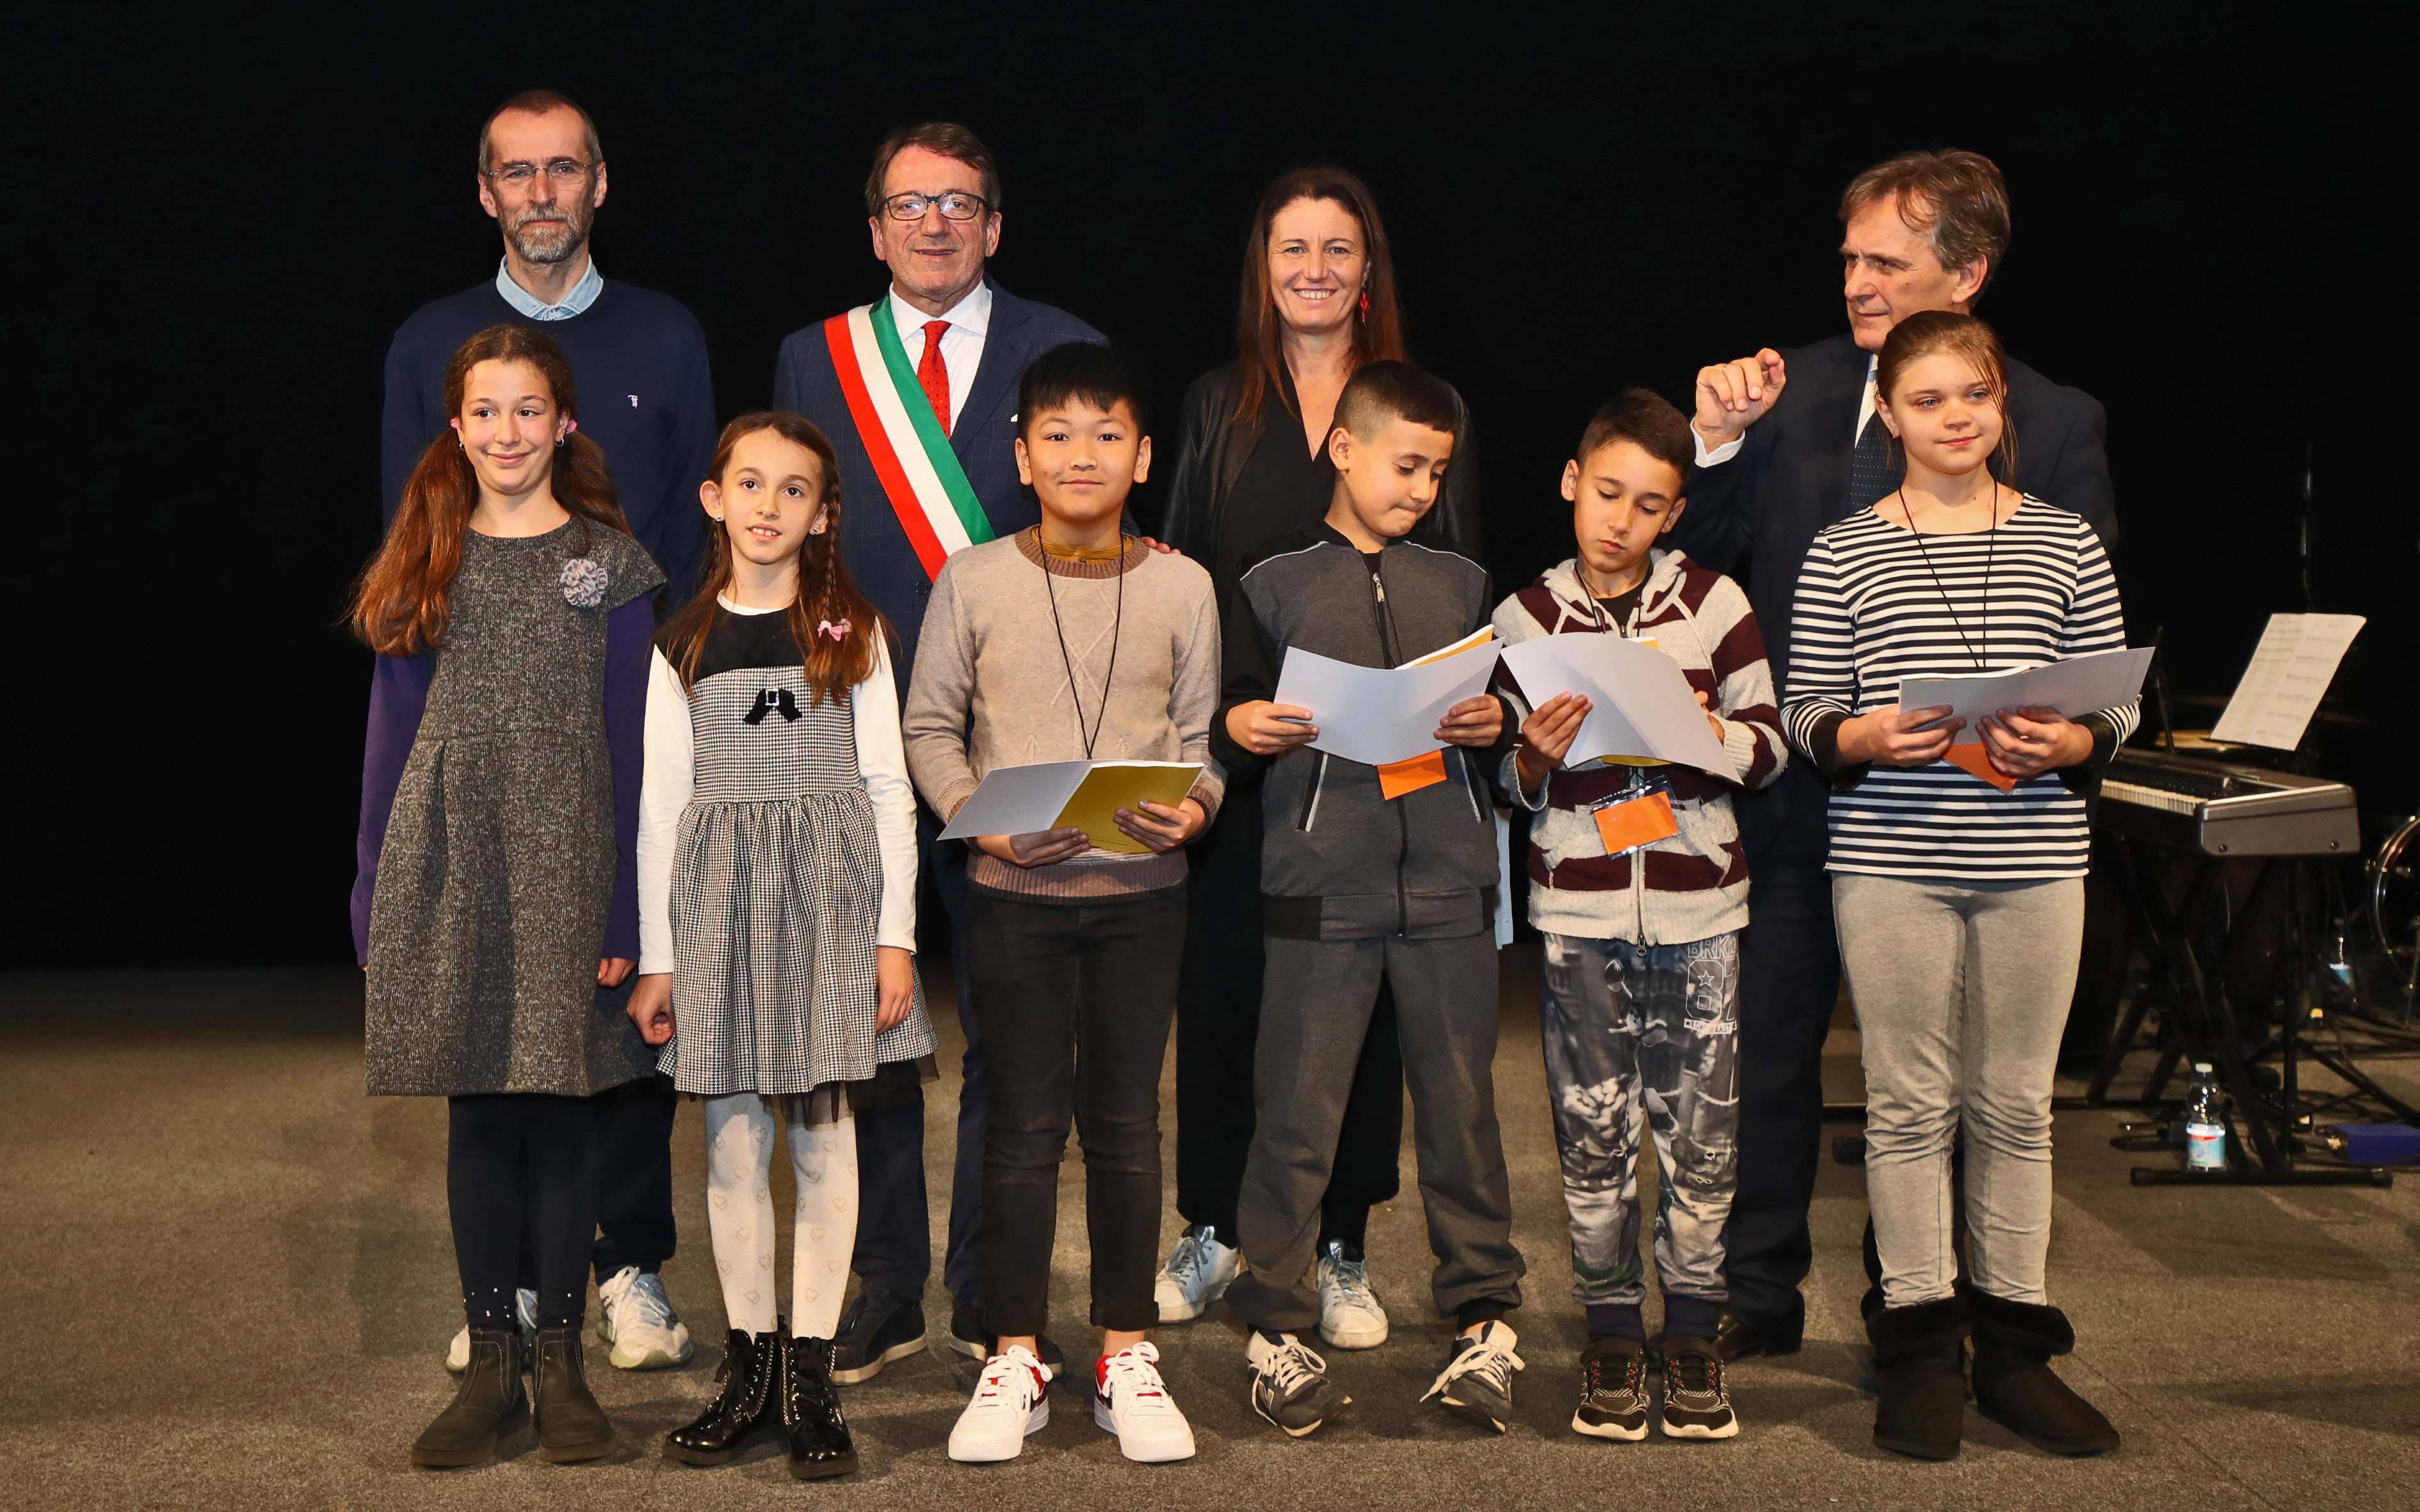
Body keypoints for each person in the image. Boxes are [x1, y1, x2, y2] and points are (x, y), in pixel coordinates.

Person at [1674, 149, 2118, 1362]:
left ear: (1967, 275)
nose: (1856, 283)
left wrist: (2066, 734)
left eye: (1886, 261)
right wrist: (1711, 442)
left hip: (1967, 812)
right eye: (1849, 259)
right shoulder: (1784, 392)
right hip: (1797, 796)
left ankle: (1915, 1304)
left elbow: (2089, 640)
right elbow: (1693, 560)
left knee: (1947, 1078)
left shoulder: (2050, 419)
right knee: (1770, 1052)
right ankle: (1758, 1294)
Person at [381, 88, 713, 1378]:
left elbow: (691, 532)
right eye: (515, 172)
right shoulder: (428, 341)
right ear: (485, 193)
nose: (540, 192)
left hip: (628, 704)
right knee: (498, 1020)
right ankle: (513, 1281)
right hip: (488, 722)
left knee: (621, 1008)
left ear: (599, 183)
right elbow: (413, 538)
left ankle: (627, 1263)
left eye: (562, 169)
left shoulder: (666, 332)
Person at [771, 122, 1107, 1383]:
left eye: (959, 203)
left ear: (995, 225)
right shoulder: (815, 357)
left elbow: (1095, 529)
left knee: (1019, 1028)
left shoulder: (1063, 343)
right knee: (875, 1019)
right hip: (858, 733)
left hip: (1016, 737)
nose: (934, 223)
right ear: (875, 229)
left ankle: (991, 1284)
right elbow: (794, 537)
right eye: (910, 204)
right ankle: (885, 1281)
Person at [1782, 311, 2131, 1461]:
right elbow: (1805, 711)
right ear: (1888, 414)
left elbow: (2115, 699)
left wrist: (2073, 741)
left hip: (2035, 860)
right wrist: (1867, 734)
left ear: (2001, 401)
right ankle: (1922, 1349)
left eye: (1974, 394)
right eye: (1927, 399)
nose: (1955, 417)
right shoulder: (1843, 550)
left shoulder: (2066, 541)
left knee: (2017, 1104)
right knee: (1909, 1105)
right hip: (1892, 860)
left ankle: (2017, 1356)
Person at [1152, 167, 1483, 1345]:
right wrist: (1217, 731)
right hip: (1251, 764)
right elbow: (1181, 579)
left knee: (1368, 1017)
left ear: (1368, 268)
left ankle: (1342, 1243)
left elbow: (1463, 581)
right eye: (1292, 247)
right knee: (1229, 999)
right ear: (1263, 266)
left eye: (1338, 248)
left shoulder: (1423, 407)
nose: (1315, 269)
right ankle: (1214, 1224)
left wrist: (1465, 711)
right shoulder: (1215, 404)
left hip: (1380, 786)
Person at [901, 344, 1222, 1465]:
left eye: (1107, 435)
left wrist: (1198, 807)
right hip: (1012, 897)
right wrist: (983, 823)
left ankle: (1127, 1351)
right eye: (1059, 435)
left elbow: (1201, 738)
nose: (1083, 455)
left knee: (1128, 1125)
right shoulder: (973, 578)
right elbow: (929, 729)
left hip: (1144, 897)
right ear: (1023, 456)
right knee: (1023, 1127)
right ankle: (1016, 1354)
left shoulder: (1183, 585)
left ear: (1144, 456)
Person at [351, 324, 665, 1467]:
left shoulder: (612, 566)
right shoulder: (425, 559)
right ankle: (493, 1361)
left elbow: (636, 748)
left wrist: (631, 910)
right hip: (455, 860)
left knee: (566, 1103)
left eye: (529, 409)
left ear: (564, 422)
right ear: (456, 424)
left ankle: (563, 1362)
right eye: (485, 411)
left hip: (574, 866)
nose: (507, 432)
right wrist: (372, 890)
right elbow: (390, 745)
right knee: (480, 1106)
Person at [1215, 360, 1525, 1438]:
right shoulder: (1271, 578)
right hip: (1320, 886)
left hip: (1448, 886)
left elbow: (1504, 726)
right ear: (1344, 450)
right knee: (1296, 1117)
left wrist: (1496, 724)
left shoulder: (1464, 582)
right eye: (1406, 465)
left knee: (1463, 1114)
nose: (1423, 488)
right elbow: (1228, 711)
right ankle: (1273, 1321)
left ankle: (1484, 1316)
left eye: (1438, 471)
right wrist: (1241, 725)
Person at [629, 413, 940, 1480]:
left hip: (829, 906)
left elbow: (889, 789)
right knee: (730, 1142)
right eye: (750, 484)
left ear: (822, 513)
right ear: (714, 499)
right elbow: (663, 810)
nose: (769, 505)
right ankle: (749, 1367)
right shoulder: (682, 641)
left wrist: (894, 938)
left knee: (822, 1137)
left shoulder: (853, 631)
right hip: (719, 906)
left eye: (794, 489)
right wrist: (661, 957)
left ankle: (811, 1372)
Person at [1492, 389, 1789, 1443]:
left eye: (1648, 504)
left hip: (1700, 906)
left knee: (1703, 1133)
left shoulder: (1713, 602)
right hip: (1577, 911)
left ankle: (1695, 1328)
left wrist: (1704, 729)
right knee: (1592, 1129)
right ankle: (1613, 1327)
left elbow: (1770, 746)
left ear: (1675, 513)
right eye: (1606, 493)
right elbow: (1505, 781)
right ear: (1571, 483)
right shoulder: (1524, 616)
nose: (1621, 519)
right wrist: (1533, 756)